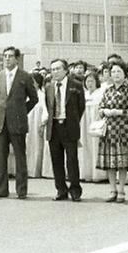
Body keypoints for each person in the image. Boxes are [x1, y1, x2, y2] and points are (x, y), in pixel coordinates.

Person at [0, 46, 39, 199]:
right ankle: (1, 190)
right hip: (1, 122)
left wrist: (21, 112)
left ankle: (21, 190)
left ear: (17, 59)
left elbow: (34, 98)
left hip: (17, 123)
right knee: (0, 157)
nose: (7, 59)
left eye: (11, 56)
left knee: (20, 157)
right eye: (5, 56)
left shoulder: (24, 76)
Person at [43, 58, 85, 201]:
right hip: (53, 127)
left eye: (58, 69)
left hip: (69, 126)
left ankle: (75, 189)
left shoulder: (76, 85)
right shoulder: (49, 87)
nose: (55, 72)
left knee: (72, 160)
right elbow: (48, 106)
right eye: (52, 69)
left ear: (66, 70)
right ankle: (61, 189)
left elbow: (81, 107)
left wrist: (72, 120)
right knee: (56, 160)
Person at [97, 60, 128, 203]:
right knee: (110, 161)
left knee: (122, 161)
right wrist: (104, 111)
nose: (115, 74)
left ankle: (121, 189)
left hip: (124, 129)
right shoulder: (108, 90)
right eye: (113, 72)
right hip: (109, 130)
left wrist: (118, 111)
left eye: (118, 71)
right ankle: (112, 188)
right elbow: (100, 108)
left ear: (124, 73)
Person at [79, 71, 105, 183]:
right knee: (85, 147)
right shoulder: (83, 95)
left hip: (96, 123)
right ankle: (86, 173)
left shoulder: (100, 94)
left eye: (92, 81)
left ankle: (98, 174)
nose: (90, 84)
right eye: (87, 81)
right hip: (84, 124)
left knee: (96, 147)